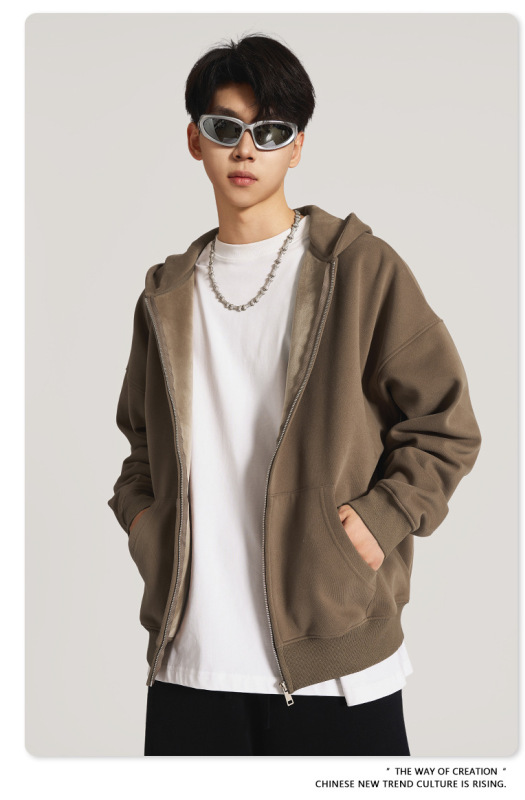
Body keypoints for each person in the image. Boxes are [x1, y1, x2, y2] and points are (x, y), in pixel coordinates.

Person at [107, 33, 482, 757]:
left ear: (297, 147)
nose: (246, 149)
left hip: (337, 669)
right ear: (195, 140)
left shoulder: (359, 270)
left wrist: (382, 516)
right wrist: (146, 524)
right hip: (189, 666)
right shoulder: (165, 297)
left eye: (271, 131)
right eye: (225, 128)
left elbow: (447, 422)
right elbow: (141, 447)